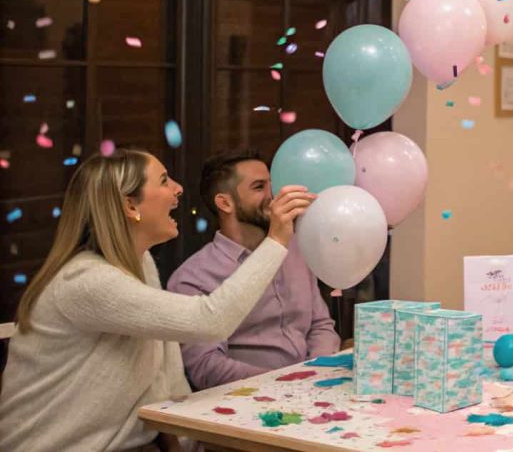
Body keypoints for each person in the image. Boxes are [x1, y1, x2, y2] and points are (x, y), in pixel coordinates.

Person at [0, 149, 314, 452]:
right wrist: (277, 240)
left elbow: (163, 373)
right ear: (129, 206)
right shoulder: (85, 282)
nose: (178, 190)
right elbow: (211, 321)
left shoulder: (141, 263)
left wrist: (189, 444)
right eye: (164, 181)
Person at [168, 150, 340, 389]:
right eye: (259, 188)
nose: (273, 196)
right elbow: (206, 366)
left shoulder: (296, 251)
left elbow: (320, 325)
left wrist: (317, 371)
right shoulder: (193, 278)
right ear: (225, 203)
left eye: (272, 185)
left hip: (313, 390)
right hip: (246, 403)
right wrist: (284, 382)